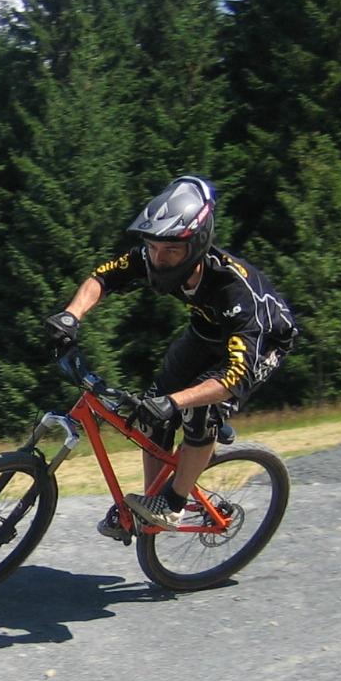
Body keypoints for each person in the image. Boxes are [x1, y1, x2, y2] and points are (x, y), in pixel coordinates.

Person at [46, 175, 296, 537]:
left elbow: (233, 377)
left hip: (262, 341)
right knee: (152, 414)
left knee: (197, 411)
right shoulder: (156, 254)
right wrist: (71, 315)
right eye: (152, 249)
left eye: (171, 252)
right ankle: (150, 503)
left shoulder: (233, 292)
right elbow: (102, 278)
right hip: (207, 331)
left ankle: (174, 504)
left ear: (196, 246)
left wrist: (175, 402)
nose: (159, 261)